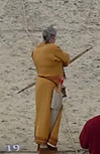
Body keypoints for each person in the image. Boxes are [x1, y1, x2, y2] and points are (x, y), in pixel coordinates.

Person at [33, 26, 70, 154]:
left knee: (42, 113)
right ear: (52, 37)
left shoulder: (37, 49)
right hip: (52, 85)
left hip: (41, 84)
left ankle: (41, 142)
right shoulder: (53, 48)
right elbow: (66, 59)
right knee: (52, 112)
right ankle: (46, 144)